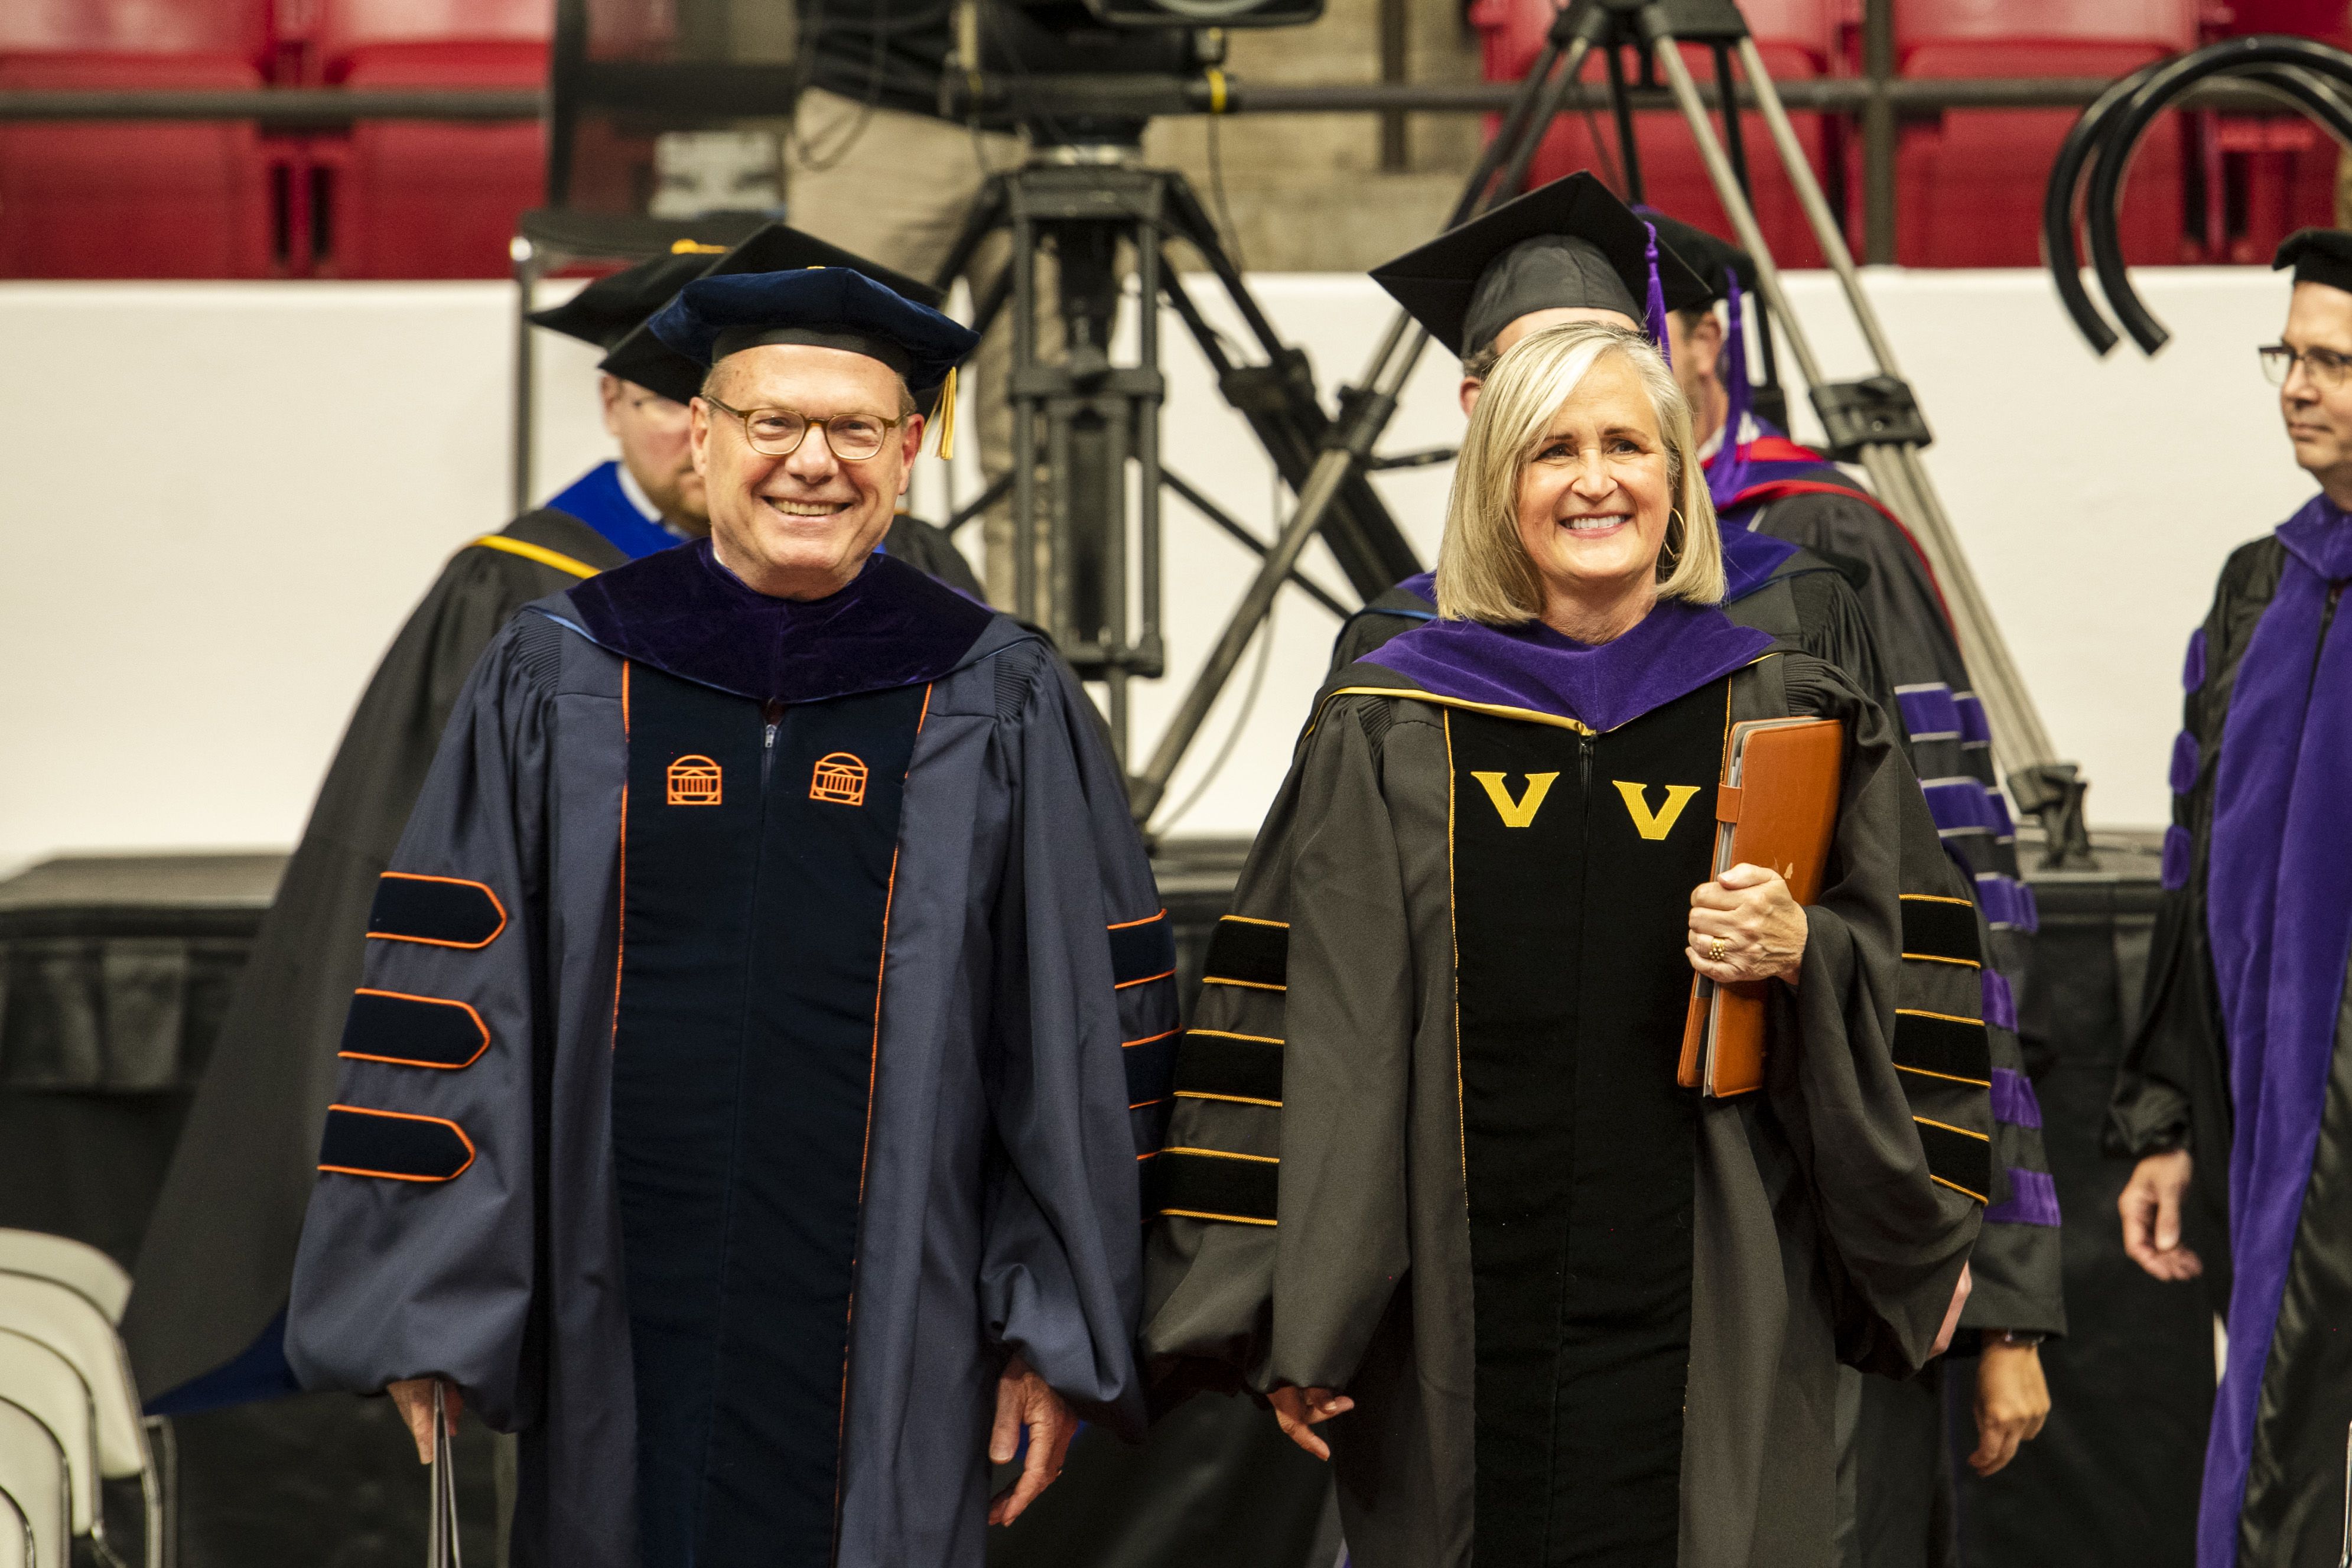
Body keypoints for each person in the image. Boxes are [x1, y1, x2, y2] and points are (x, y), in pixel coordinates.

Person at [281, 263, 1168, 1568]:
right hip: (613, 1322)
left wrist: (1049, 1321)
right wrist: (430, 1298)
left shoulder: (999, 694)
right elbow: (458, 1006)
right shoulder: (560, 669)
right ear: (700, 438)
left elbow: (1074, 1038)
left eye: (855, 429)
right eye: (772, 423)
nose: (812, 463)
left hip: (903, 1343)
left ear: (909, 450)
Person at [1143, 320, 1987, 1568]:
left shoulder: (1783, 702)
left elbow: (1912, 951)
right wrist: (1295, 1302)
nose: (1593, 479)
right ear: (1498, 488)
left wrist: (1802, 945)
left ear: (1673, 476)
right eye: (1550, 450)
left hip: (1722, 1284)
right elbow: (1306, 1015)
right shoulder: (1391, 723)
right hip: (1448, 1305)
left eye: (1624, 445)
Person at [123, 223, 983, 1419]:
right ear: (625, 404)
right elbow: (437, 893)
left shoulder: (914, 574)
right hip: (604, 1136)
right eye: (700, 402)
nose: (755, 446)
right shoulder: (528, 595)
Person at [2113, 226, 2352, 1568]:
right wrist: (2163, 1115)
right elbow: (2189, 868)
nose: (2295, 386)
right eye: (2286, 354)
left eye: (2330, 361)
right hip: (2263, 1119)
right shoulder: (2260, 583)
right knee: (2268, 1442)